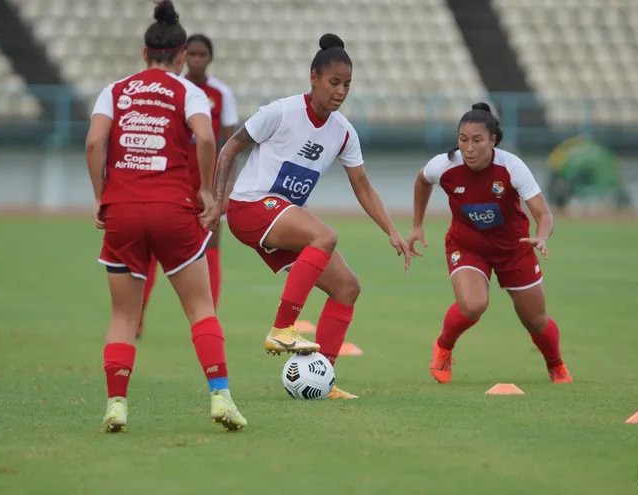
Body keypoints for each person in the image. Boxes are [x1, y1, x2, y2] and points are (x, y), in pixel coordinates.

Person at [205, 33, 413, 400]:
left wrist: (392, 231)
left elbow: (362, 185)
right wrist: (217, 202)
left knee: (348, 288)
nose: (340, 91)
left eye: (347, 85)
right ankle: (283, 327)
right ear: (313, 77)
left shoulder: (343, 132)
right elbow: (230, 148)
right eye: (334, 83)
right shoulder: (280, 112)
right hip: (250, 207)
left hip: (283, 219)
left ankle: (325, 379)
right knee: (325, 235)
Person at [84, 0, 246, 432]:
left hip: (122, 211)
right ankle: (221, 397)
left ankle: (116, 405)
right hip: (173, 210)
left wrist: (101, 196)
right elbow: (207, 137)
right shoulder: (188, 90)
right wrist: (205, 190)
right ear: (179, 56)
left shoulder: (115, 89)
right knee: (200, 308)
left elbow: (94, 145)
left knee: (123, 316)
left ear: (144, 53)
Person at [406, 103, 573, 385]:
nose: (468, 148)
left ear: (492, 140)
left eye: (477, 140)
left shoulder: (511, 166)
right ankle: (443, 348)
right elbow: (422, 180)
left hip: (515, 248)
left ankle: (555, 365)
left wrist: (542, 237)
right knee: (473, 305)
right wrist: (417, 224)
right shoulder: (445, 165)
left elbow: (544, 213)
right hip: (467, 245)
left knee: (536, 320)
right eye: (463, 139)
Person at [137, 33, 239, 339]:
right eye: (191, 54)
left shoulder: (222, 94)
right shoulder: (173, 90)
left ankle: (210, 318)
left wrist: (226, 188)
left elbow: (230, 145)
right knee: (151, 251)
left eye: (201, 55)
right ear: (183, 56)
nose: (196, 59)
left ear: (209, 58)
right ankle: (137, 316)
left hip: (208, 186)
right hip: (173, 183)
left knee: (210, 250)